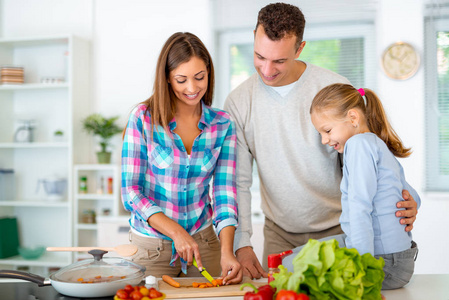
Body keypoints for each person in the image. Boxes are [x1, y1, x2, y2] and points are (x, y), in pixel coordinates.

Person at [223, 2, 419, 279]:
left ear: (300, 48)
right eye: (259, 56)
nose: (267, 70)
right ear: (254, 35)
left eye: (279, 61)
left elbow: (373, 155)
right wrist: (242, 242)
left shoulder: (332, 89)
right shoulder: (238, 102)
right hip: (279, 233)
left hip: (340, 229)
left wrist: (410, 197)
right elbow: (238, 182)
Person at [121, 32, 242, 284]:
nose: (192, 88)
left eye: (200, 77)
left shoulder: (222, 124)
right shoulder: (143, 118)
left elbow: (224, 192)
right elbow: (131, 191)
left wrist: (227, 251)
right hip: (152, 248)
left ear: (209, 72)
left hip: (204, 242)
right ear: (167, 77)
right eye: (181, 79)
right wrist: (176, 232)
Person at [309, 83, 420, 289]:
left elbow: (360, 208)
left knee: (291, 264)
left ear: (352, 118)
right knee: (302, 256)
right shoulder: (376, 144)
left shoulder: (358, 145)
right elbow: (412, 196)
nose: (324, 140)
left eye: (327, 130)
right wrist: (411, 205)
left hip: (383, 264)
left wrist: (360, 269)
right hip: (400, 261)